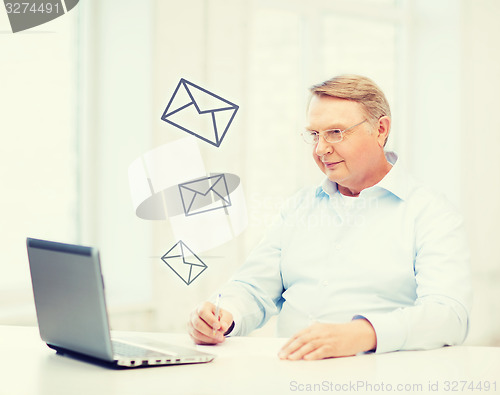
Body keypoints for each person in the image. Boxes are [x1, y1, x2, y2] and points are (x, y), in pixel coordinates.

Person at [187, 75, 471, 360]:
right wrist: (222, 315)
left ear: (381, 130)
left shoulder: (430, 212)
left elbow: (449, 315)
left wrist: (363, 334)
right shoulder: (298, 207)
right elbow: (253, 288)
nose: (321, 149)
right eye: (314, 134)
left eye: (335, 132)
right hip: (290, 376)